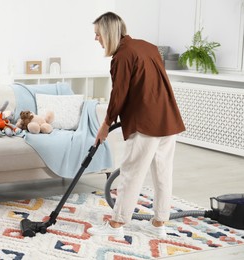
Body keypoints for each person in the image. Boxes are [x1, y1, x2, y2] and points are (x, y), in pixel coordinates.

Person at [88, 12, 185, 239]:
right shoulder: (148, 47)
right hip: (168, 118)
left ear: (108, 32)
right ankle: (159, 223)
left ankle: (116, 226)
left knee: (131, 173)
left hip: (146, 124)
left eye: (97, 34)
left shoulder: (122, 56)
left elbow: (118, 95)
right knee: (163, 172)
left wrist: (105, 124)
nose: (96, 39)